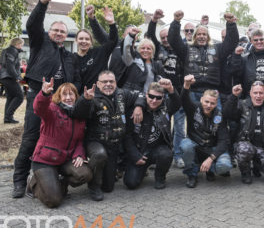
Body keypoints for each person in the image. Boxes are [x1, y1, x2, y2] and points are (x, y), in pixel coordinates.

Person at [12, 0, 80, 198]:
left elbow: (75, 79)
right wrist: (42, 4)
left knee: (55, 139)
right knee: (31, 138)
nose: (59, 33)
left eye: (62, 31)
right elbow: (33, 25)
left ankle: (49, 177)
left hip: (60, 103)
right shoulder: (40, 42)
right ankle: (19, 180)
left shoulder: (68, 56)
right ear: (49, 32)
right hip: (37, 97)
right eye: (56, 30)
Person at [25, 78, 93, 208]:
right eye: (64, 94)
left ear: (76, 96)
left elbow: (79, 139)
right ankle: (32, 183)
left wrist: (79, 155)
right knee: (53, 201)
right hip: (45, 160)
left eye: (71, 94)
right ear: (59, 97)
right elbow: (39, 109)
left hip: (65, 159)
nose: (68, 97)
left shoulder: (79, 115)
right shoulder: (52, 109)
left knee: (85, 174)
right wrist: (44, 94)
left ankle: (58, 181)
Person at [81, 70, 141, 201]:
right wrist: (85, 101)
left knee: (108, 187)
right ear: (98, 84)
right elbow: (78, 113)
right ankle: (93, 186)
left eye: (111, 81)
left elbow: (141, 94)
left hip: (113, 144)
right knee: (99, 155)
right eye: (104, 82)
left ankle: (101, 174)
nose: (108, 84)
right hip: (95, 143)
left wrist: (138, 106)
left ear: (116, 82)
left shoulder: (121, 94)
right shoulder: (91, 97)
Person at [168, 11, 239, 110]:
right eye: (199, 34)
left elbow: (231, 42)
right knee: (194, 121)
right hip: (192, 92)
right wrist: (176, 21)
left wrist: (231, 24)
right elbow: (173, 40)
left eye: (204, 34)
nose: (201, 36)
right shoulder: (186, 48)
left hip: (212, 92)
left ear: (208, 37)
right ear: (195, 36)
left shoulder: (218, 49)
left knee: (215, 121)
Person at [223, 81, 264, 184]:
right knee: (244, 149)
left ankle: (258, 165)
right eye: (255, 93)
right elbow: (227, 114)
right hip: (245, 146)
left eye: (261, 93)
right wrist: (234, 96)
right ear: (250, 93)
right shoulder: (242, 104)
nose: (258, 96)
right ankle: (246, 172)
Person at [145, 9, 186, 169]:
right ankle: (159, 157)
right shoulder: (157, 49)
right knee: (162, 127)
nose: (165, 39)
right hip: (161, 95)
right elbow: (150, 34)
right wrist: (154, 20)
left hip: (178, 93)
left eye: (167, 37)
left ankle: (178, 156)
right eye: (162, 38)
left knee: (180, 127)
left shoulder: (180, 48)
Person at [123, 79, 181, 189]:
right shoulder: (135, 110)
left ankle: (160, 177)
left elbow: (177, 103)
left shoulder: (166, 107)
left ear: (163, 98)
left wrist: (170, 88)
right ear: (146, 95)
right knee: (130, 183)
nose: (154, 100)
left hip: (157, 149)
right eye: (151, 96)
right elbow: (127, 135)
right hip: (139, 151)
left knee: (166, 154)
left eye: (158, 98)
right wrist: (135, 156)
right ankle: (142, 170)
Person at [180, 74, 233, 188]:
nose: (209, 105)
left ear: (216, 103)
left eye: (212, 103)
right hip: (196, 146)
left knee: (225, 165)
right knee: (185, 145)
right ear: (201, 99)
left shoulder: (220, 116)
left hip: (211, 149)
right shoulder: (193, 109)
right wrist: (186, 85)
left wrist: (211, 158)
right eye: (206, 101)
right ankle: (192, 174)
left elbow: (224, 141)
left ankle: (210, 169)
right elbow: (184, 99)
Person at [75, 5, 118, 91]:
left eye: (87, 39)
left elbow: (113, 41)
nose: (84, 41)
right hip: (81, 99)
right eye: (81, 38)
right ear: (76, 40)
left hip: (100, 97)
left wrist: (112, 24)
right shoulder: (71, 58)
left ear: (91, 41)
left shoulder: (99, 53)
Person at [121, 27, 162, 93]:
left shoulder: (157, 65)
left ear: (152, 51)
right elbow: (126, 49)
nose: (145, 50)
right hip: (132, 97)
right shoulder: (132, 60)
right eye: (143, 48)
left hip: (149, 99)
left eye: (148, 48)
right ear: (139, 50)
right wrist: (131, 36)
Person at [0, 37, 25, 124]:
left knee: (10, 97)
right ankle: (9, 116)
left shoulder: (6, 50)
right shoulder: (12, 51)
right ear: (17, 44)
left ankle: (7, 119)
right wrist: (16, 77)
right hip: (9, 77)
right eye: (22, 44)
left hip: (4, 77)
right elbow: (10, 66)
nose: (22, 46)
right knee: (20, 96)